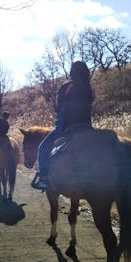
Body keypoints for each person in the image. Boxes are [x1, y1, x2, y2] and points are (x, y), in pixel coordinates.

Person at [32, 61, 94, 190]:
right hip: (87, 128)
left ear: (72, 72)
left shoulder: (67, 87)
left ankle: (44, 179)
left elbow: (60, 109)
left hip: (68, 128)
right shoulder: (89, 88)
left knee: (42, 149)